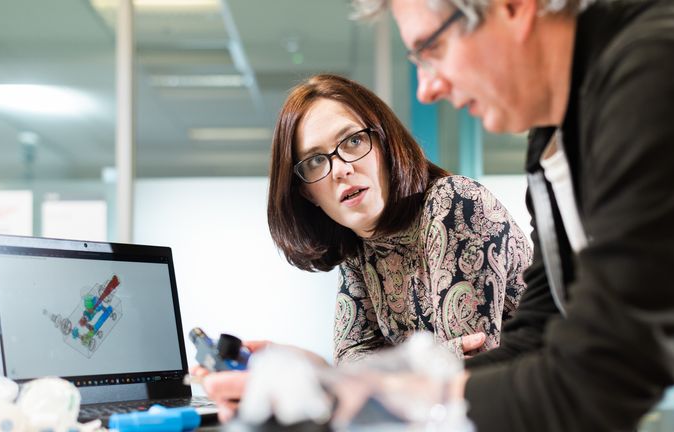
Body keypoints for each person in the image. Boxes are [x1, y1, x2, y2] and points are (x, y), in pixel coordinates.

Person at [350, 0, 674, 429]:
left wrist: (417, 399)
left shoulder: (662, 73)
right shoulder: (558, 131)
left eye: (432, 48)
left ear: (513, 7)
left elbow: (599, 378)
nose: (426, 88)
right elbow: (539, 334)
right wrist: (357, 391)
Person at [194, 73, 532, 421]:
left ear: (385, 144)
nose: (340, 169)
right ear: (307, 192)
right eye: (315, 161)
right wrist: (303, 368)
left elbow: (461, 372)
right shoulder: (359, 244)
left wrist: (341, 379)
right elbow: (352, 359)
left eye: (353, 141)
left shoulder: (453, 202)